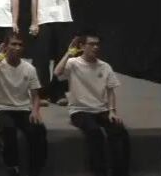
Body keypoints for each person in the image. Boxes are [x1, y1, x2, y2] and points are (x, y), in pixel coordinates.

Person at [54, 30, 130, 176]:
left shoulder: (105, 66)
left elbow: (110, 91)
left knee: (120, 131)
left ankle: (120, 171)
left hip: (102, 110)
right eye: (91, 44)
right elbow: (57, 73)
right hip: (79, 111)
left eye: (97, 44)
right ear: (82, 46)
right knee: (95, 132)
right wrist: (69, 53)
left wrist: (112, 111)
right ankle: (100, 171)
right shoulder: (73, 63)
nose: (96, 47)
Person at [0, 34, 47, 176]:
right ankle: (12, 166)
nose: (17, 47)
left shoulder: (29, 68)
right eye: (13, 44)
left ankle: (35, 170)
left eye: (20, 45)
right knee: (9, 128)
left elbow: (36, 95)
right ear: (6, 47)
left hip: (23, 108)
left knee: (38, 130)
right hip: (1, 108)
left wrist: (35, 111)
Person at [26, 0, 78, 106]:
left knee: (61, 56)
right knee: (41, 58)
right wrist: (34, 22)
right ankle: (42, 94)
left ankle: (58, 92)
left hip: (63, 18)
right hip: (44, 19)